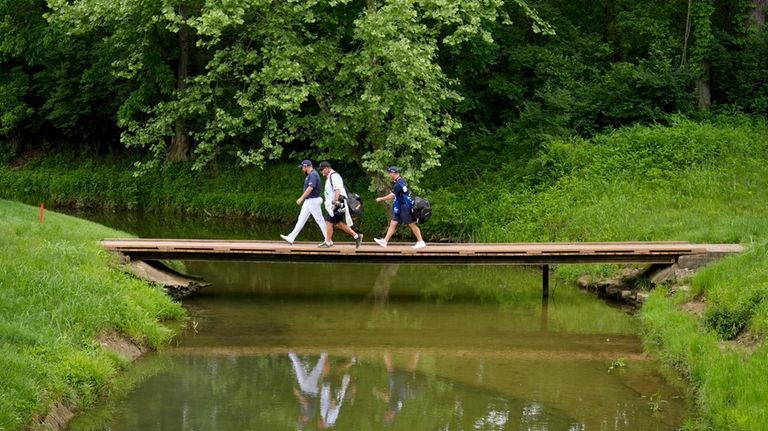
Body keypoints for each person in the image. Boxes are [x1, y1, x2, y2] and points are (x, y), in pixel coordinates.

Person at [374, 166, 426, 249]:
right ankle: (385, 241)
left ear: (394, 173)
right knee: (393, 223)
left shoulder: (398, 184)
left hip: (405, 207)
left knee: (412, 224)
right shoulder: (402, 181)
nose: (389, 175)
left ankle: (421, 241)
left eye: (390, 173)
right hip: (400, 206)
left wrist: (381, 199)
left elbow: (392, 195)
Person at [280, 160, 328, 245]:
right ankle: (291, 237)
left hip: (313, 201)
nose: (302, 169)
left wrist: (301, 198)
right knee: (301, 219)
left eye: (303, 167)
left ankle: (328, 239)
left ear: (307, 166)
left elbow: (310, 188)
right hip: (308, 201)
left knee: (319, 220)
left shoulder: (313, 175)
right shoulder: (310, 175)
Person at [318, 161, 363, 249]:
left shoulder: (333, 175)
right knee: (337, 223)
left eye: (322, 169)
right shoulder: (330, 176)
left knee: (329, 221)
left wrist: (335, 202)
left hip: (339, 202)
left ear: (327, 168)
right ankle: (357, 236)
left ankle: (328, 242)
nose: (321, 172)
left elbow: (337, 189)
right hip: (338, 202)